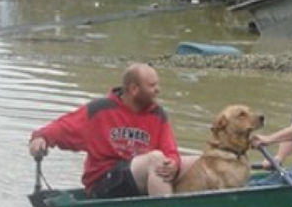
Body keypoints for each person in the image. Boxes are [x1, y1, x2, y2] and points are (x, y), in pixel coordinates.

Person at [28, 63, 183, 198]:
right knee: (155, 159)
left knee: (196, 163)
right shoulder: (99, 110)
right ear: (134, 89)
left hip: (139, 175)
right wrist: (41, 137)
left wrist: (173, 164)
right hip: (103, 182)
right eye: (152, 86)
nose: (158, 90)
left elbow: (171, 151)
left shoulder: (157, 114)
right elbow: (62, 127)